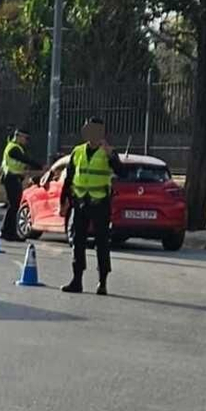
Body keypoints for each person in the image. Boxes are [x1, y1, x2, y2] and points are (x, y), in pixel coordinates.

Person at [60, 116, 123, 295]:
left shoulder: (108, 152)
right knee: (77, 242)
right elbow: (69, 177)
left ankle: (102, 282)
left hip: (100, 202)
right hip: (80, 202)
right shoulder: (77, 151)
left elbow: (121, 171)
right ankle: (76, 280)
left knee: (102, 242)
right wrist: (63, 200)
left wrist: (111, 155)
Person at [0, 129, 42, 242]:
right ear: (17, 136)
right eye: (24, 137)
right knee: (14, 206)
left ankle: (6, 231)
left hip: (12, 178)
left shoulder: (16, 147)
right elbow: (24, 159)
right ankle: (9, 232)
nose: (26, 140)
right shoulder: (13, 148)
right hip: (11, 178)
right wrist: (39, 165)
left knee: (13, 206)